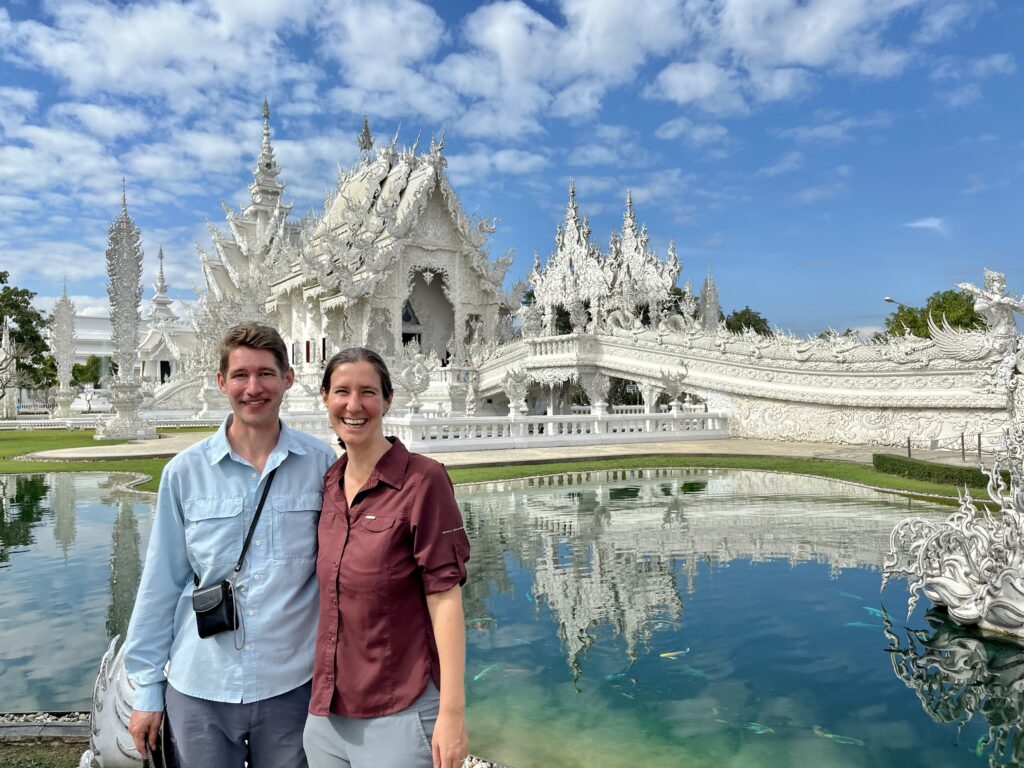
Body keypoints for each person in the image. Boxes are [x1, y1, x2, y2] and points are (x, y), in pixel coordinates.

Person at [123, 323, 336, 767]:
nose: (253, 388)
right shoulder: (185, 472)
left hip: (291, 683)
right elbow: (161, 583)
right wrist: (146, 688)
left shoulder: (320, 465)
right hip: (201, 682)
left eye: (266, 374)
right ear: (221, 382)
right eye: (240, 375)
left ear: (288, 379)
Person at [304, 347, 471, 768]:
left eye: (368, 392)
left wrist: (452, 714)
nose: (354, 405)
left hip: (398, 706)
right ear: (324, 398)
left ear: (388, 400)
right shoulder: (327, 483)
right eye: (341, 391)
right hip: (325, 713)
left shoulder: (423, 480)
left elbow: (445, 598)